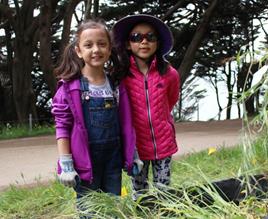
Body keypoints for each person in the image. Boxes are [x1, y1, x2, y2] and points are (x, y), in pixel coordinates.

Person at [51, 19, 138, 204]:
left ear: (109, 49)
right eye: (88, 45)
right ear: (79, 51)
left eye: (102, 44)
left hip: (113, 160)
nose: (96, 50)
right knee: (90, 211)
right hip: (85, 164)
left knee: (112, 208)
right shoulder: (69, 88)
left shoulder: (116, 85)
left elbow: (126, 123)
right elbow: (62, 127)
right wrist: (66, 164)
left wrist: (133, 154)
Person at [112, 14, 180, 199]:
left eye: (150, 37)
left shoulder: (169, 73)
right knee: (140, 193)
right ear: (127, 44)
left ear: (157, 43)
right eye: (136, 37)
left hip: (163, 143)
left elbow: (171, 100)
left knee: (163, 193)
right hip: (136, 147)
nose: (144, 42)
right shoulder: (121, 75)